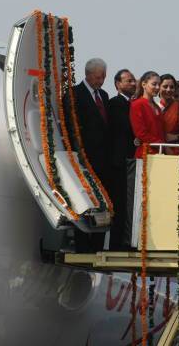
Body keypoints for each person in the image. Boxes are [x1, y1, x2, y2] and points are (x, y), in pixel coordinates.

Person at [63, 57, 111, 252]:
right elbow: (69, 126)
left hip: (102, 158)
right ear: (88, 74)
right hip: (83, 157)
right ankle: (82, 245)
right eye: (98, 77)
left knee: (102, 202)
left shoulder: (105, 96)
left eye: (103, 77)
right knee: (84, 202)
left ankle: (97, 245)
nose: (101, 81)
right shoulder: (74, 94)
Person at [108, 69, 137, 250]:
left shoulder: (133, 104)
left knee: (129, 203)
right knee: (119, 203)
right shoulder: (115, 103)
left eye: (134, 80)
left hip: (131, 161)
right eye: (128, 81)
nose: (133, 84)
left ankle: (126, 241)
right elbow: (126, 127)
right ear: (118, 84)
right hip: (119, 162)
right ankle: (116, 243)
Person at [130, 71, 166, 157]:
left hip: (159, 152)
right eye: (154, 84)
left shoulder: (157, 107)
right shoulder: (137, 104)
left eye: (159, 84)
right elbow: (141, 133)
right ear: (144, 85)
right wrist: (161, 144)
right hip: (145, 153)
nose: (157, 87)